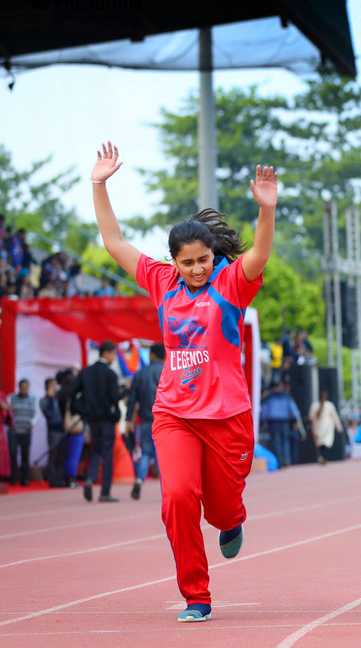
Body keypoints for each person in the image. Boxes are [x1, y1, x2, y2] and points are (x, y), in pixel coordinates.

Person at [88, 142, 276, 622]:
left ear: (214, 256)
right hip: (174, 414)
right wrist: (99, 184)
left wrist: (266, 210)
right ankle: (197, 596)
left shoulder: (232, 282)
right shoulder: (159, 282)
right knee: (175, 498)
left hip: (228, 418)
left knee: (221, 510)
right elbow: (113, 241)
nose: (197, 268)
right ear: (173, 262)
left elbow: (258, 252)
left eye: (204, 259)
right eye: (188, 262)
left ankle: (232, 521)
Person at [69, 342, 122, 501]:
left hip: (91, 419)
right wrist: (123, 392)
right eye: (113, 354)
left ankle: (89, 479)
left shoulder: (86, 372)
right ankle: (105, 492)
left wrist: (81, 409)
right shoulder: (110, 374)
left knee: (96, 451)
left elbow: (71, 392)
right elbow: (114, 397)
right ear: (106, 353)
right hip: (107, 419)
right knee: (107, 455)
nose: (114, 357)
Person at [125, 343, 165, 499]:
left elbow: (132, 398)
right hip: (165, 419)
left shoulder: (141, 373)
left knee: (147, 453)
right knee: (165, 455)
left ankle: (139, 480)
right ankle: (167, 488)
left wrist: (129, 419)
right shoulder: (167, 371)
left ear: (152, 355)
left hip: (147, 419)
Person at [261, 380, 302, 468]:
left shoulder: (268, 397)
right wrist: (295, 421)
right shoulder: (286, 396)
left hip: (273, 422)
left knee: (276, 442)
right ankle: (286, 460)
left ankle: (279, 461)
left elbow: (264, 411)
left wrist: (263, 422)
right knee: (285, 441)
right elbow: (293, 409)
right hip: (284, 421)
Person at [9, 379, 38, 486]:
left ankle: (24, 478)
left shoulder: (33, 399)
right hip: (13, 431)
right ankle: (13, 477)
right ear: (19, 387)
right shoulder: (11, 398)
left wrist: (31, 423)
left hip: (26, 431)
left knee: (25, 455)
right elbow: (7, 412)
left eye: (26, 386)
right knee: (13, 453)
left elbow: (37, 414)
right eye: (22, 386)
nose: (24, 388)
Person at [40, 377, 67, 487]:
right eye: (52, 385)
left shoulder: (58, 398)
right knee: (53, 456)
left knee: (61, 456)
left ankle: (60, 479)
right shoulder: (44, 400)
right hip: (53, 431)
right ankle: (52, 480)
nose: (54, 387)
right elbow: (49, 414)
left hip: (62, 430)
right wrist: (50, 398)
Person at [309, 390, 343, 465]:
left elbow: (311, 417)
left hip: (318, 428)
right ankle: (323, 457)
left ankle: (322, 457)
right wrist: (339, 426)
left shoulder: (315, 405)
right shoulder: (329, 405)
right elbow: (335, 416)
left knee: (320, 444)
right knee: (326, 443)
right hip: (326, 427)